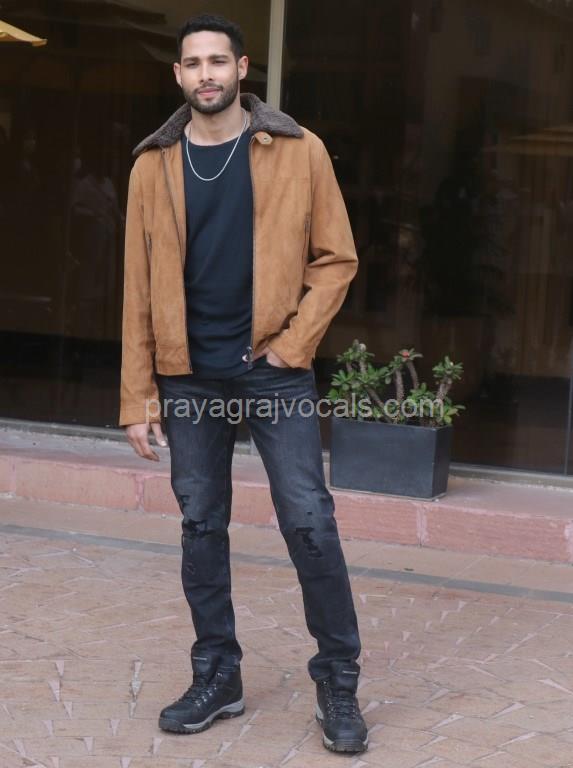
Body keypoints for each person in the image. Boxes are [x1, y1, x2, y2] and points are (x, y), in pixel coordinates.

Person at [119, 13, 367, 755]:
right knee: (201, 524)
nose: (206, 75)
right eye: (193, 63)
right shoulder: (152, 166)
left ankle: (338, 681)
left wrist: (293, 346)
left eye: (217, 62)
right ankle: (217, 675)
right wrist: (137, 395)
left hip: (273, 372)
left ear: (242, 68)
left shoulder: (297, 149)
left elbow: (337, 258)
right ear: (178, 75)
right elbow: (136, 287)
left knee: (309, 521)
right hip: (187, 378)